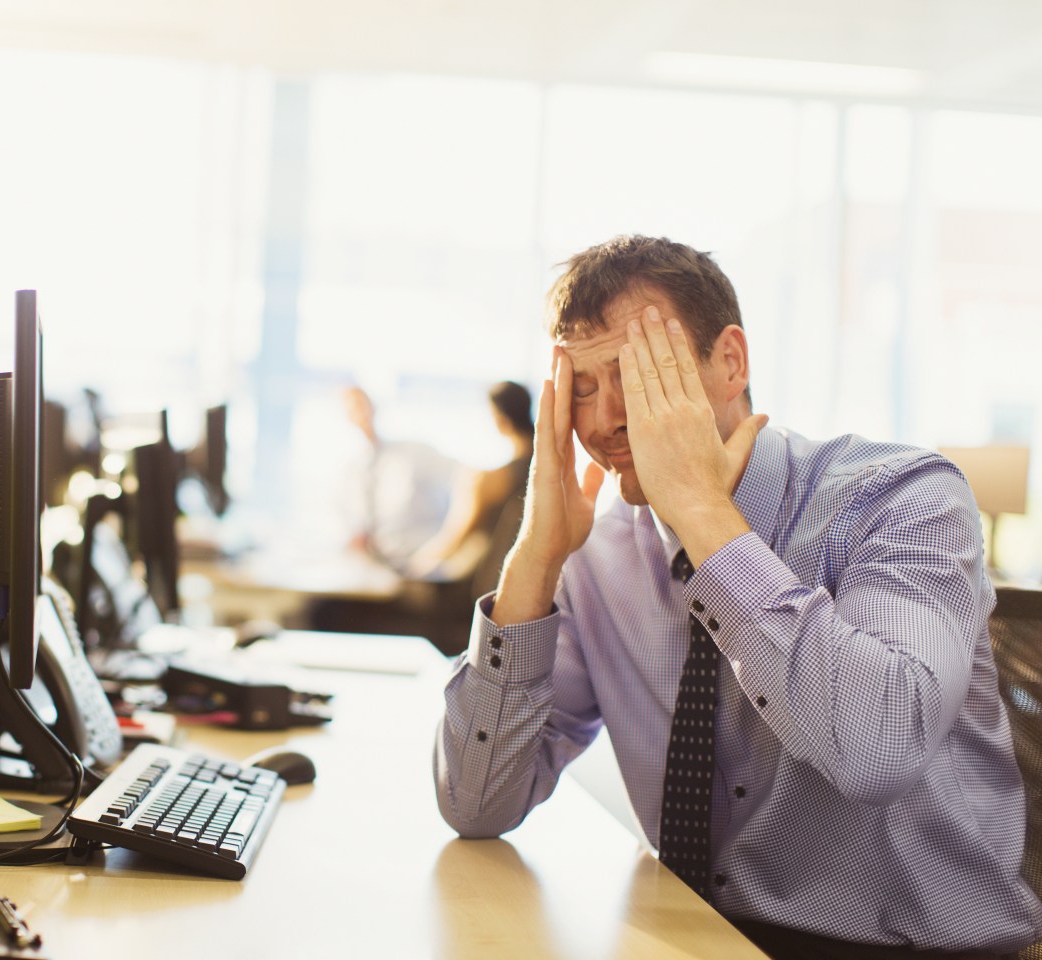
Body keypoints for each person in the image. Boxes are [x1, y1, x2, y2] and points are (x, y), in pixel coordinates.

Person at [433, 235, 1042, 959]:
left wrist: (703, 515)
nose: (600, 422)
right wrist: (533, 559)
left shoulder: (904, 501)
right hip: (695, 937)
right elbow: (475, 804)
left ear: (729, 362)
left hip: (912, 948)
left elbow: (879, 752)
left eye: (636, 374)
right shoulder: (596, 558)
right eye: (582, 388)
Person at [407, 380, 533, 581]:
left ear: (501, 420)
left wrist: (410, 566)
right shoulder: (552, 476)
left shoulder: (488, 480)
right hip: (526, 581)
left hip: (478, 587)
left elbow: (451, 541)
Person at [336, 384, 457, 571]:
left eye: (361, 405)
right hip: (373, 563)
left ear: (373, 407)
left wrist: (443, 545)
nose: (359, 414)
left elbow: (466, 482)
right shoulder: (350, 471)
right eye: (350, 409)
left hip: (419, 559)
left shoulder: (414, 453)